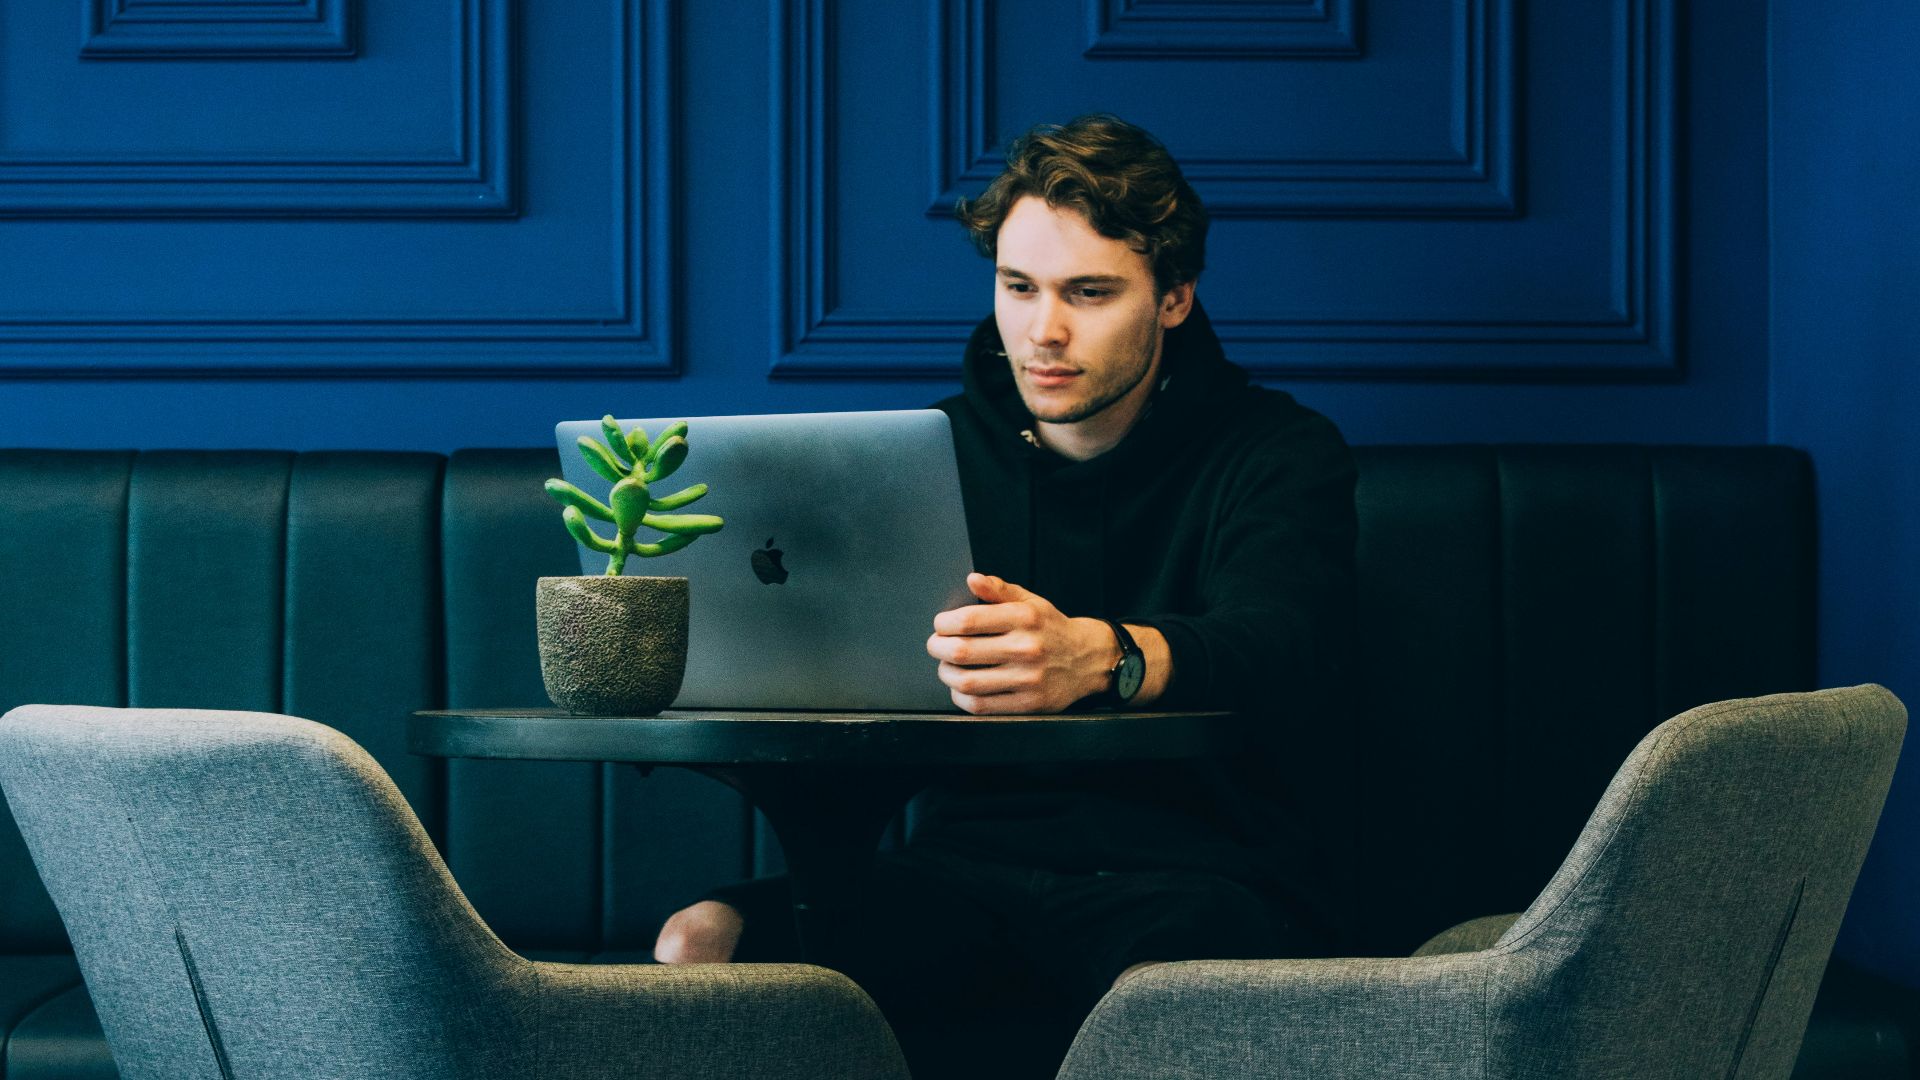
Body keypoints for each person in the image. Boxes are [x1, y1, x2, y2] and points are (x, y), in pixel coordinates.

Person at [654, 114, 1358, 1075]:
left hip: (1198, 870)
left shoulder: (1276, 451)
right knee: (699, 941)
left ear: (1175, 298)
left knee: (1176, 991)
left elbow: (1282, 641)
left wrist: (1099, 656)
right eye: (1018, 288)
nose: (1043, 330)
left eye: (1090, 293)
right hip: (966, 868)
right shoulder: (929, 455)